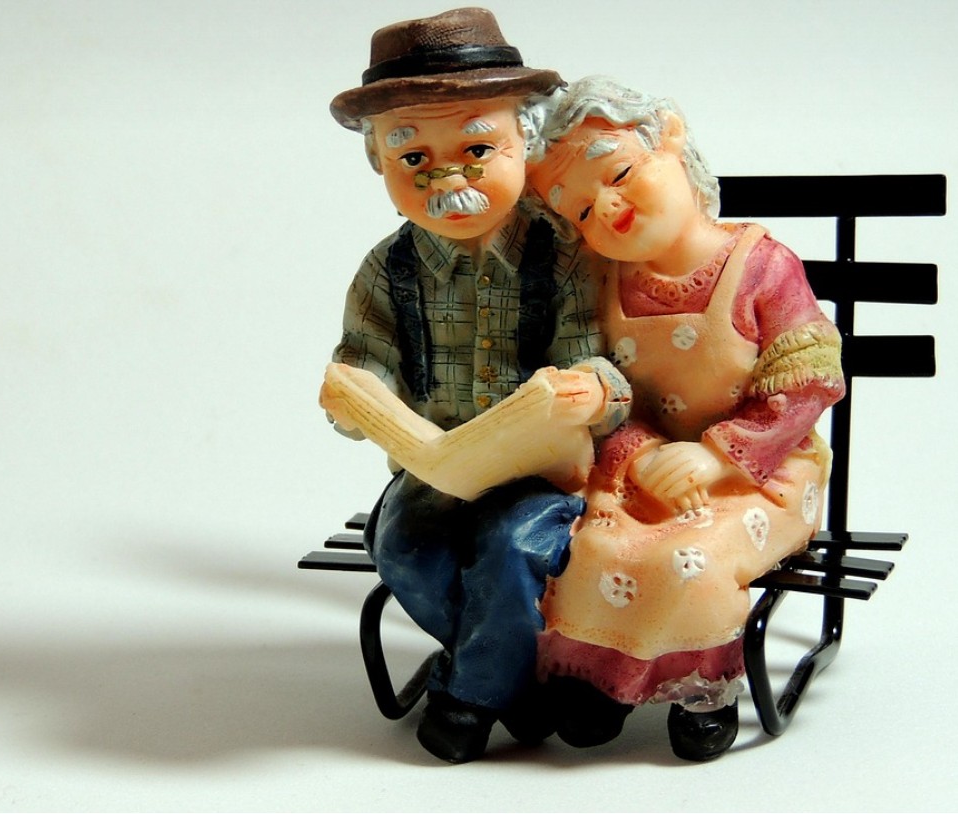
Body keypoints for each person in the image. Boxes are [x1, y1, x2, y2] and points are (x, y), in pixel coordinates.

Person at [324, 9, 630, 763]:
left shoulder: (565, 252)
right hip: (436, 469)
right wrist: (354, 399)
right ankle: (530, 687)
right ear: (380, 164)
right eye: (413, 157)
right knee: (405, 550)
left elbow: (601, 356)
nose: (448, 178)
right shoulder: (386, 270)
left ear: (525, 141)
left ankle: (471, 694)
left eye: (476, 148)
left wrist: (593, 392)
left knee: (510, 544)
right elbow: (367, 360)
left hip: (540, 476)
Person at [523, 76, 846, 760]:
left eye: (618, 175)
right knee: (590, 547)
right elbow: (599, 389)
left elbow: (809, 380)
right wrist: (638, 455)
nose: (607, 209)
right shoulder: (601, 284)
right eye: (581, 211)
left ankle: (701, 690)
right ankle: (596, 681)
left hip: (758, 471)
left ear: (669, 136)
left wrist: (716, 455)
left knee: (689, 559)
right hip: (641, 470)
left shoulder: (763, 266)